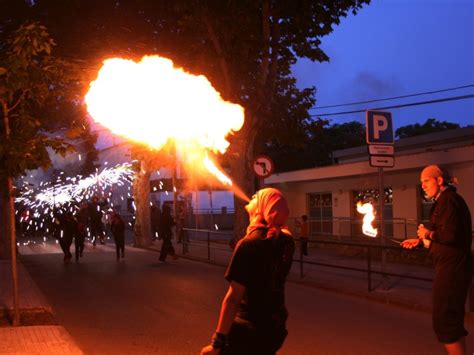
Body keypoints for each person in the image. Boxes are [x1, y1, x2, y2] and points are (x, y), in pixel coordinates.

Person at [201, 187, 295, 355]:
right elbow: (283, 229)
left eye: (256, 197)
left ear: (262, 207)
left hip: (248, 331)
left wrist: (217, 343)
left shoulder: (249, 244)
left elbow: (233, 299)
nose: (251, 198)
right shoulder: (288, 242)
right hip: (275, 329)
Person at [401, 165, 472, 355]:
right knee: (451, 320)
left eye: (426, 181)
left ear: (439, 181)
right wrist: (421, 241)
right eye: (421, 182)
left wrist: (427, 233)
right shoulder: (445, 201)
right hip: (451, 266)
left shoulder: (449, 200)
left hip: (453, 268)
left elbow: (449, 236)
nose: (422, 185)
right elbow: (445, 237)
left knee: (445, 320)